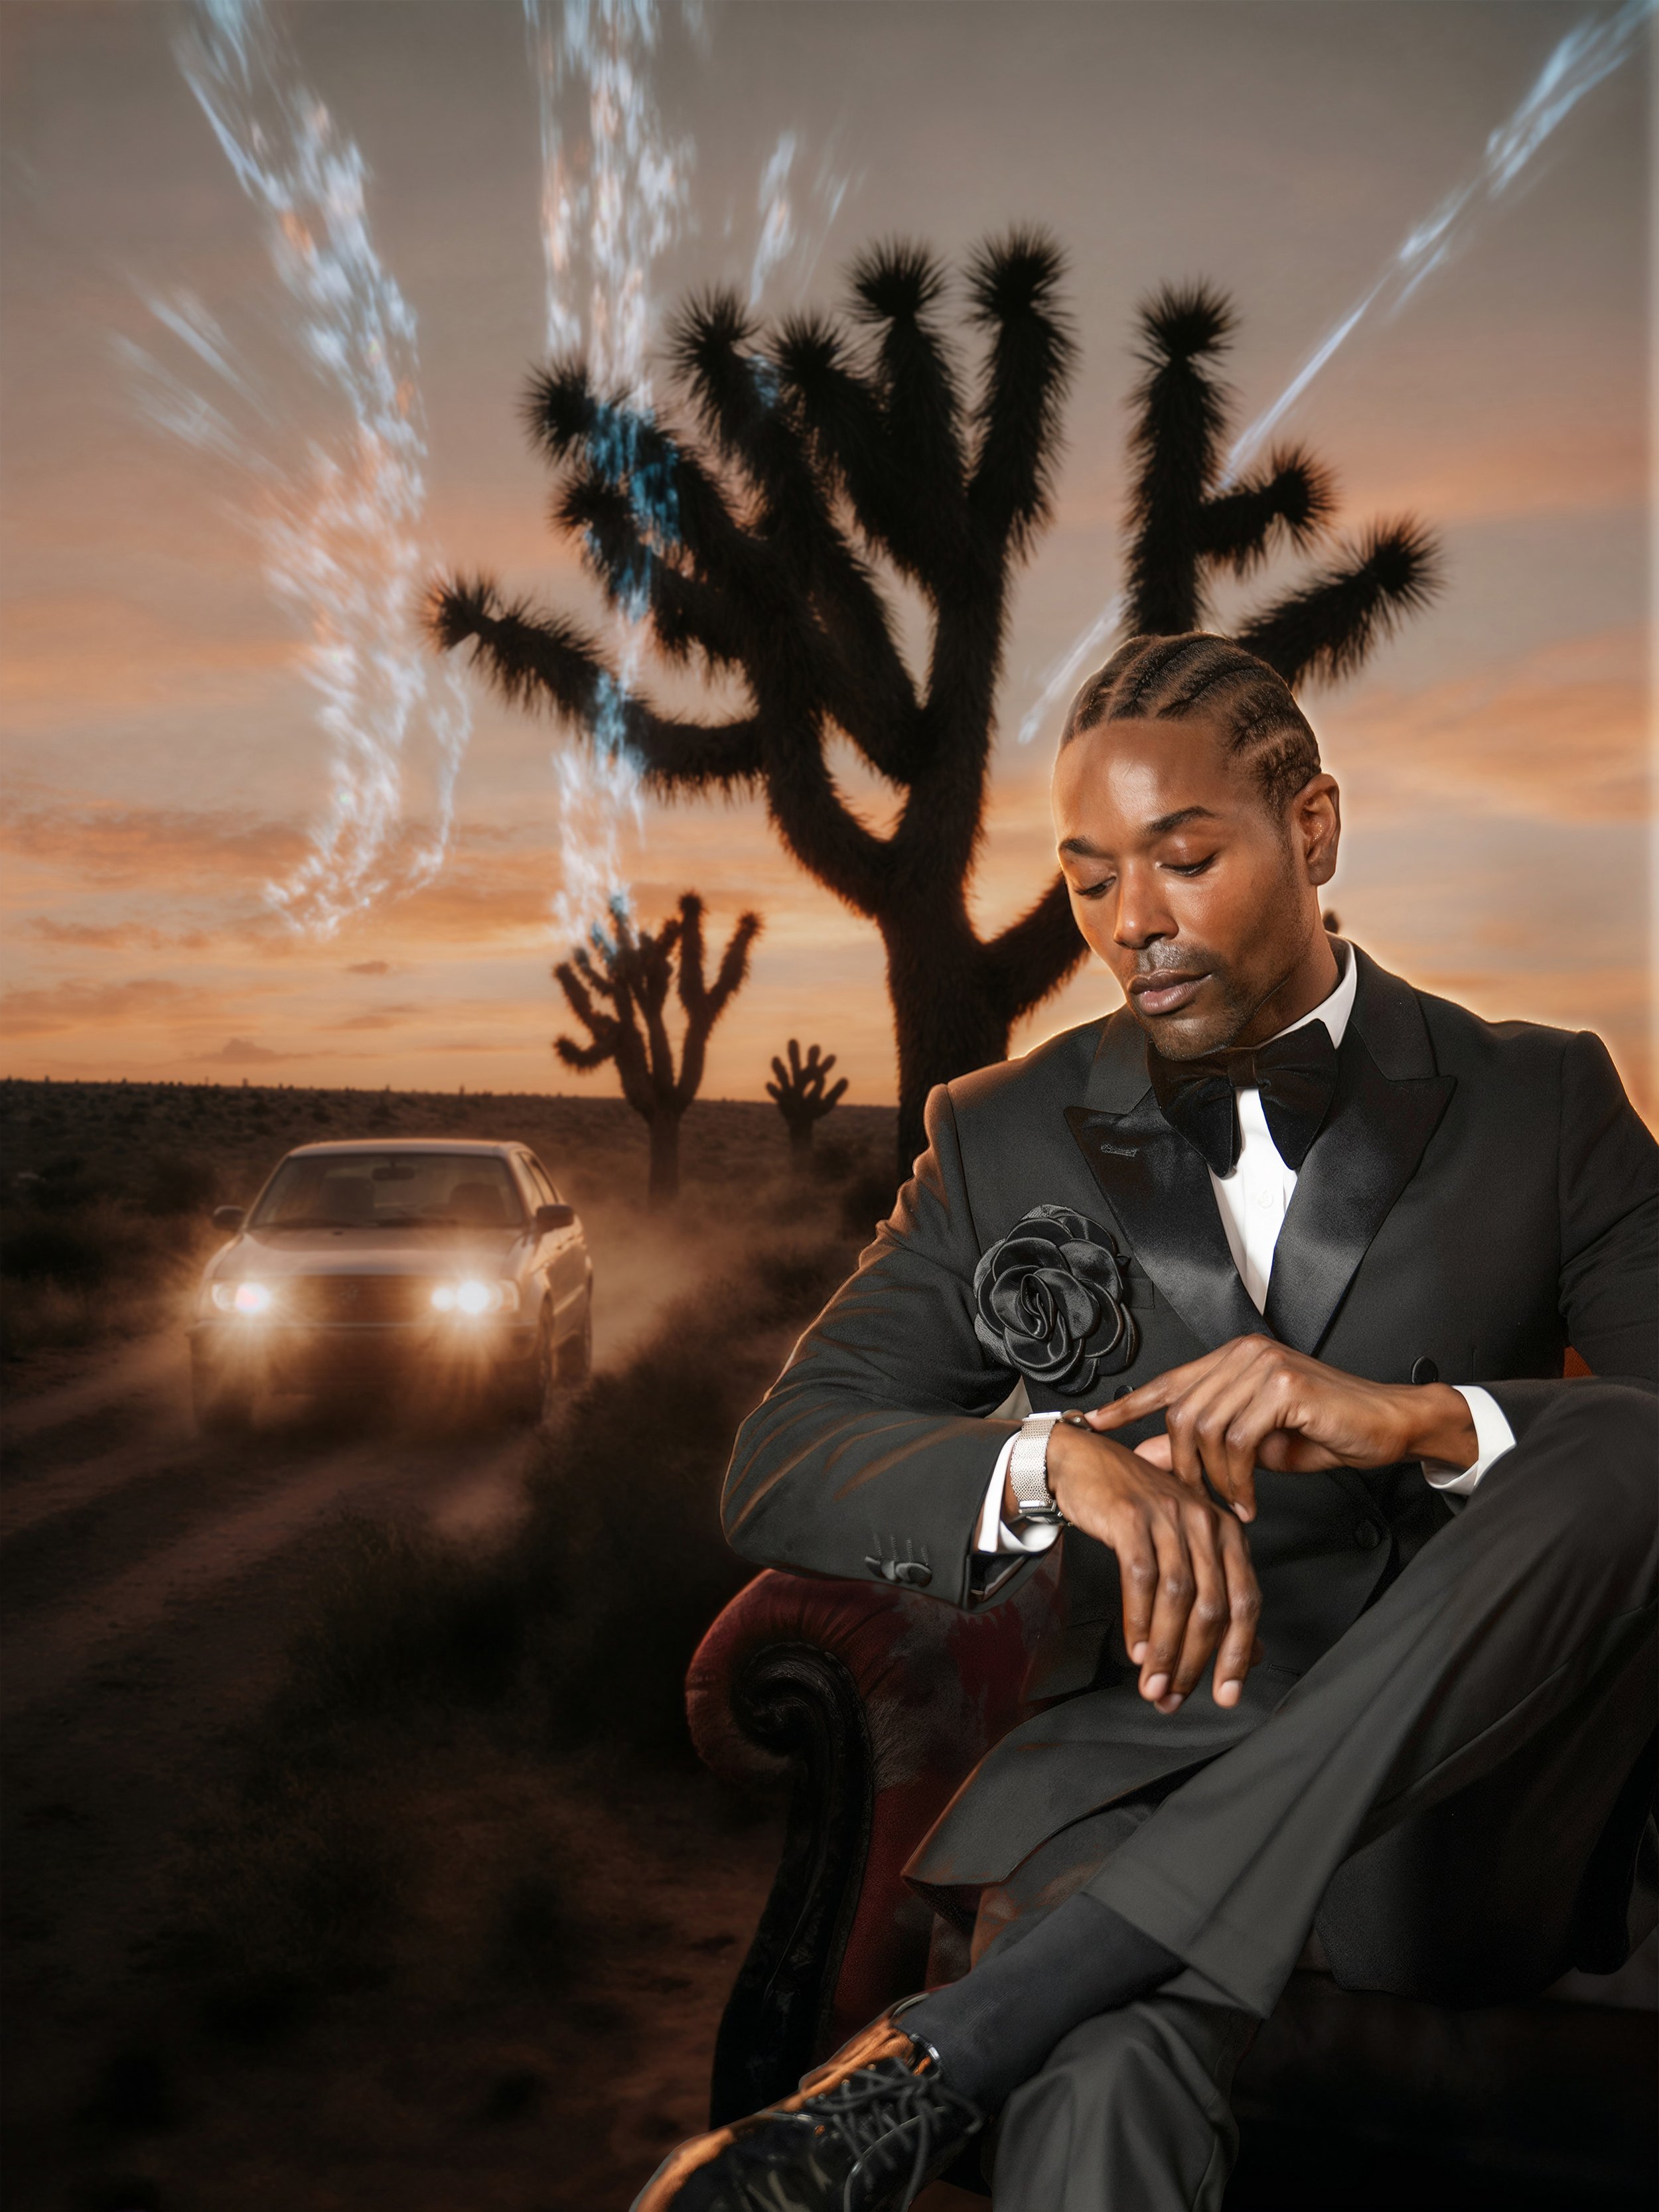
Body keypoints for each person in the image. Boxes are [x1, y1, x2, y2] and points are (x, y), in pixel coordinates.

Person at [633, 633, 1658, 2212]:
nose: (1130, 924)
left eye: (1183, 860)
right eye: (1091, 876)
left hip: (1461, 1822)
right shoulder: (997, 1135)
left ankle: (958, 2038)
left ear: (1309, 829)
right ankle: (1030, 2021)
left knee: (1622, 1443)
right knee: (1098, 2081)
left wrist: (1413, 1423)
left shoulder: (1545, 1097)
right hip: (1130, 1781)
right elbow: (781, 1460)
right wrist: (1057, 1465)